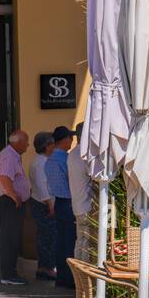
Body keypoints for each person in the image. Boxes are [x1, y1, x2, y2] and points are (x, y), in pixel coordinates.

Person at [0, 129, 31, 286]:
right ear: (18, 142)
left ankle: (10, 272)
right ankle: (8, 274)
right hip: (10, 202)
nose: (28, 145)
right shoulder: (9, 155)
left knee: (12, 238)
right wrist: (13, 195)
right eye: (26, 141)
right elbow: (3, 177)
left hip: (8, 200)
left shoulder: (9, 155)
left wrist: (5, 190)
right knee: (10, 239)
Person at [47, 126, 76, 288]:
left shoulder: (49, 160)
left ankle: (61, 277)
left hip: (58, 202)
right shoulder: (66, 159)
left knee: (60, 241)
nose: (72, 141)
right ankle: (70, 278)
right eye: (70, 138)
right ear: (64, 140)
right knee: (70, 241)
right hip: (69, 202)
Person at [27, 131, 57, 281]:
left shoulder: (40, 160)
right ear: (46, 146)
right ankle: (47, 268)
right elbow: (41, 185)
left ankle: (44, 267)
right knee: (48, 237)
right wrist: (50, 204)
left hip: (41, 203)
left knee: (45, 236)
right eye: (52, 144)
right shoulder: (41, 163)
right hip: (43, 205)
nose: (54, 147)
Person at [68, 122, 93, 262]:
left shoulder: (72, 154)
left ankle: (78, 277)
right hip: (88, 206)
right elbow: (96, 176)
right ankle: (85, 277)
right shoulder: (85, 154)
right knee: (88, 244)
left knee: (80, 241)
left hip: (77, 204)